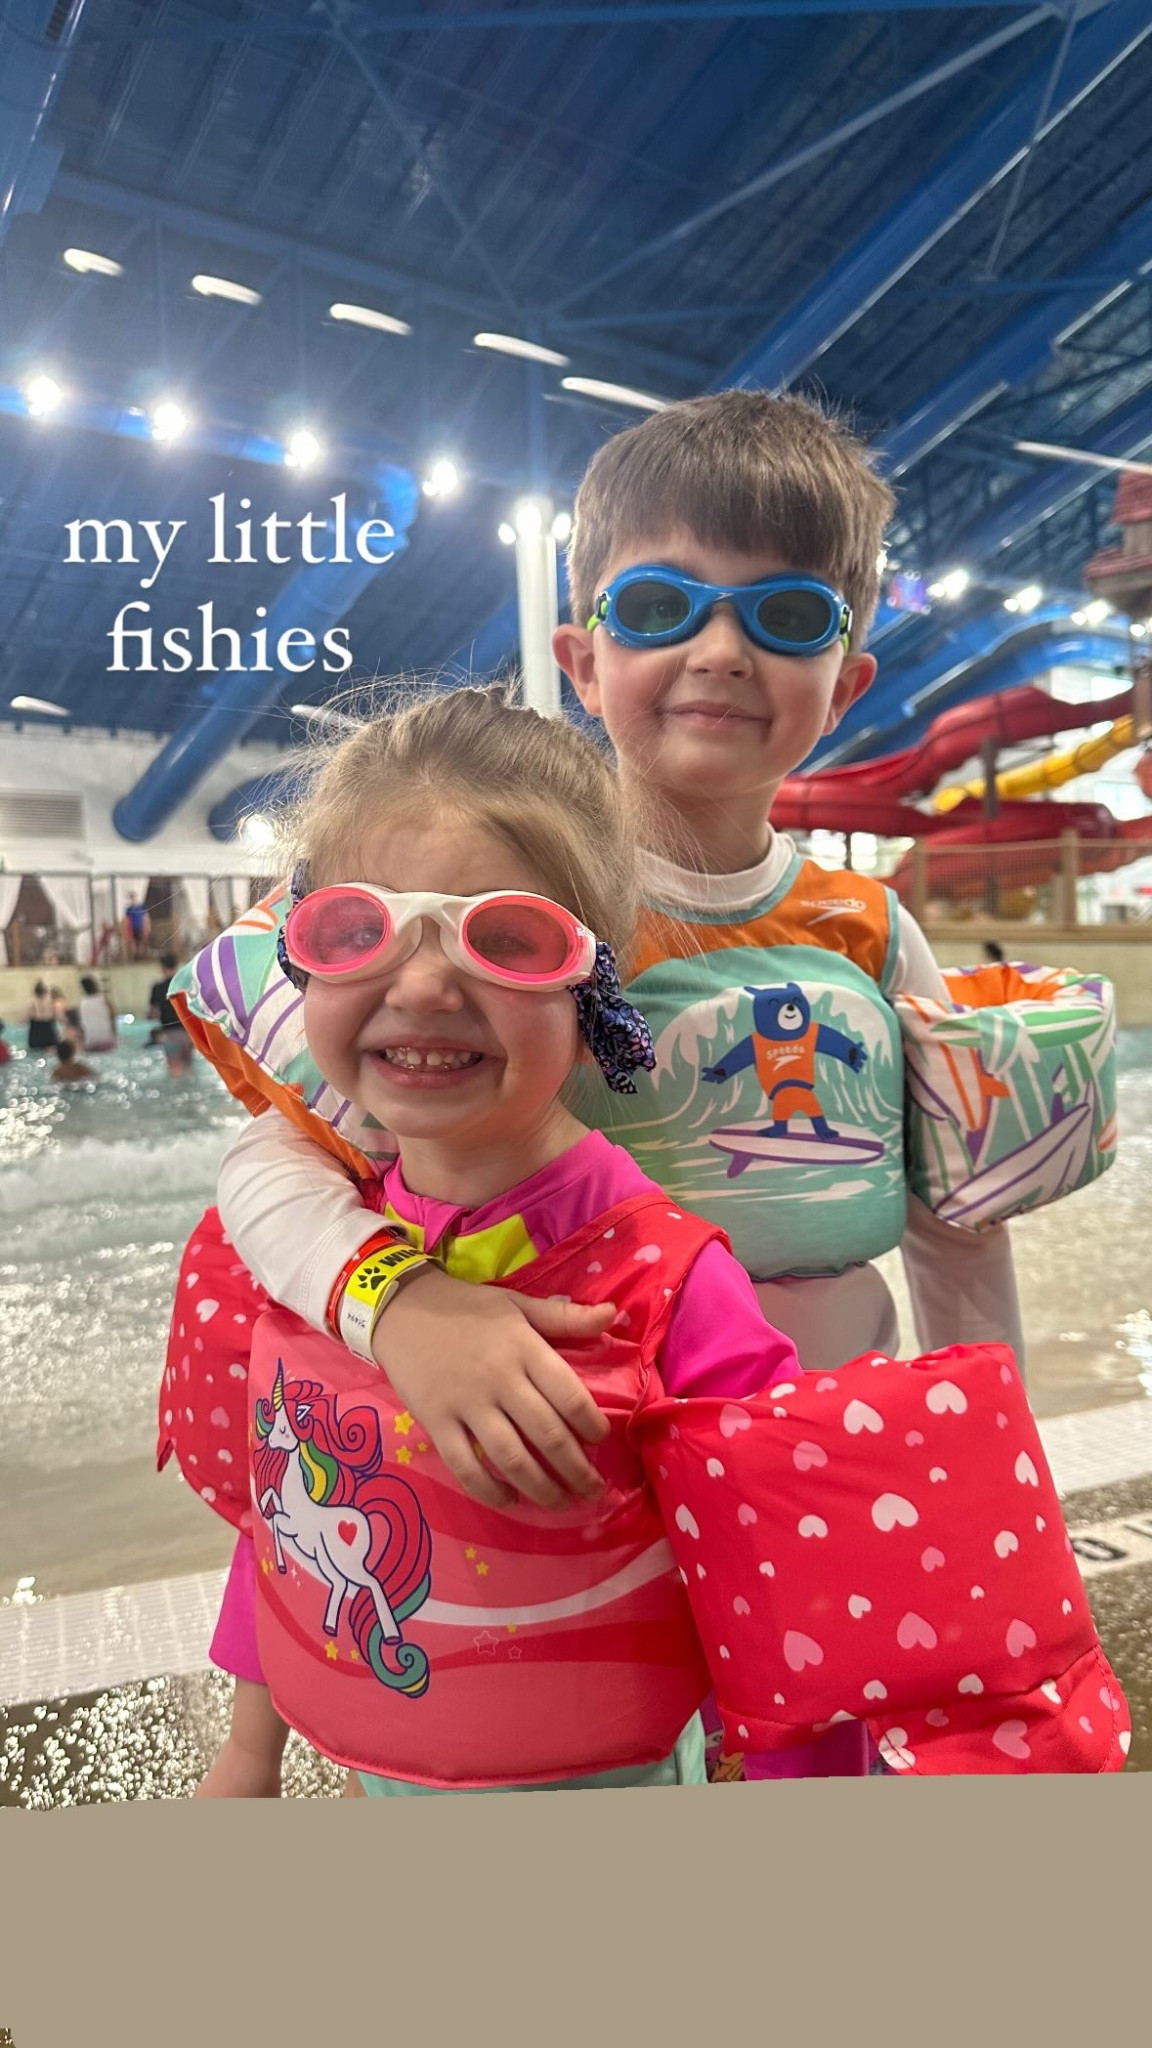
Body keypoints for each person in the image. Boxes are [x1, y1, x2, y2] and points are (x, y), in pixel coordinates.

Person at [163, 689, 1127, 1797]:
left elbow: (797, 1601)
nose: (423, 982)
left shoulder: (669, 1285)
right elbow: (286, 1493)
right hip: (381, 1774)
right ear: (304, 959)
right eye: (358, 928)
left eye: (505, 937)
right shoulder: (318, 1238)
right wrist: (248, 1749)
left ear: (593, 981)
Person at [180, 391, 1027, 1529]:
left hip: (814, 1484)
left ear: (848, 682)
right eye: (661, 604)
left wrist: (996, 1475)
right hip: (569, 1490)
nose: (720, 651)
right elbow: (272, 1166)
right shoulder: (494, 911)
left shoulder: (873, 935)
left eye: (785, 615)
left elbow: (959, 1227)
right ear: (582, 659)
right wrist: (405, 1308)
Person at [149, 952, 193, 1074]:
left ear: (162, 967)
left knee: (175, 1072)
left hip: (169, 1035)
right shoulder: (186, 986)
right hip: (188, 1034)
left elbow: (153, 1013)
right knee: (189, 1069)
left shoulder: (157, 988)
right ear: (177, 965)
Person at [77, 974, 117, 1052]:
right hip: (105, 1040)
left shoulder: (82, 1003)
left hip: (89, 1042)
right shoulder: (103, 999)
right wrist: (114, 1033)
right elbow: (113, 1015)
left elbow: (82, 1025)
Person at [25, 981, 60, 1053]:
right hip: (49, 1033)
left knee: (35, 1056)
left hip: (36, 1035)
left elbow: (24, 1020)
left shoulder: (31, 1004)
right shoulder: (52, 1003)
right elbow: (59, 1018)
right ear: (46, 992)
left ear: (35, 992)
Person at [123, 893, 151, 960]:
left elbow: (146, 917)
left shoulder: (142, 907)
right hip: (132, 928)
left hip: (140, 927)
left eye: (134, 897)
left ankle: (141, 956)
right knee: (133, 943)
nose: (133, 899)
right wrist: (126, 929)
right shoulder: (129, 909)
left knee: (141, 942)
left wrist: (147, 927)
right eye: (131, 898)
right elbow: (127, 919)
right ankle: (135, 957)